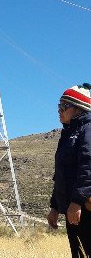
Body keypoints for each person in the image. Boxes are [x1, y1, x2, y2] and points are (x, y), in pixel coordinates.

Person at [47, 83, 91, 257]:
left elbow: (88, 166)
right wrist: (55, 207)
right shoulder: (68, 135)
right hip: (75, 209)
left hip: (84, 208)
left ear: (78, 108)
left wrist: (77, 201)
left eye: (63, 106)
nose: (59, 110)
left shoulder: (88, 130)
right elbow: (62, 176)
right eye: (59, 106)